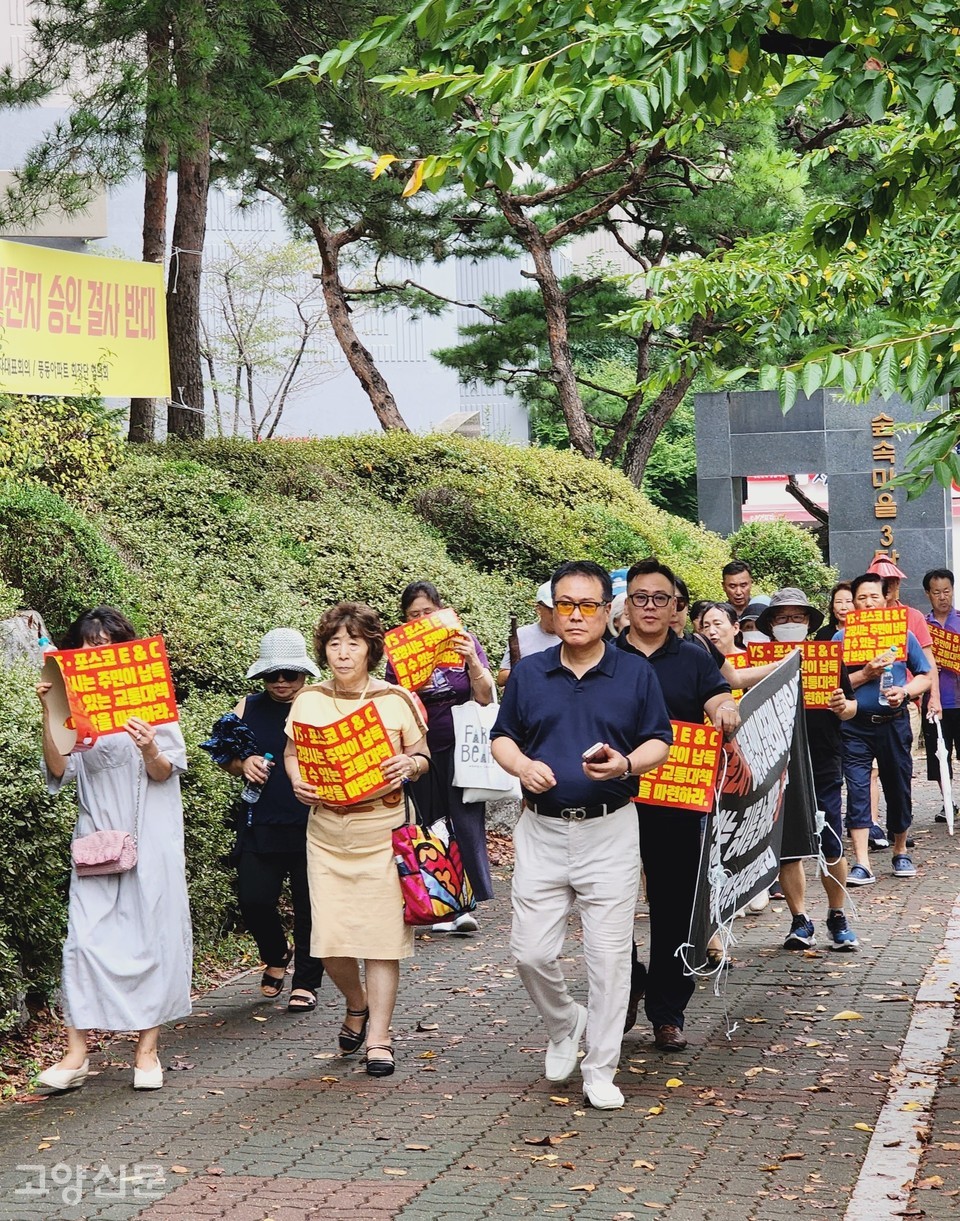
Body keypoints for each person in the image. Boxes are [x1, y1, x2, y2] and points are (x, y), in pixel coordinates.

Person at [491, 560, 673, 1109]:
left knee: (609, 958)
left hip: (610, 831)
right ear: (552, 611)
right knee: (529, 952)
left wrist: (626, 764)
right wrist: (522, 766)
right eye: (565, 604)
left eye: (588, 605)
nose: (576, 615)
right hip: (542, 832)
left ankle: (600, 1069)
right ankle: (565, 1022)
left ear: (606, 611)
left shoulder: (634, 673)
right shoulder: (529, 673)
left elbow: (659, 741)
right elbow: (502, 737)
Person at [36, 607, 192, 1092]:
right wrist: (49, 711)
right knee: (83, 942)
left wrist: (148, 746)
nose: (93, 651)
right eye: (85, 644)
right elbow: (58, 769)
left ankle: (147, 1052)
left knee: (151, 940)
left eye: (103, 643)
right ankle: (76, 1054)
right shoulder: (72, 703)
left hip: (151, 838)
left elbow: (165, 770)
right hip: (97, 840)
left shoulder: (151, 698)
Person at [284, 602, 430, 1077]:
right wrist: (296, 780)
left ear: (371, 649)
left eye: (353, 643)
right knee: (328, 941)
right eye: (334, 644)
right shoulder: (308, 699)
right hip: (327, 832)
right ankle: (357, 1002)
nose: (343, 653)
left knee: (382, 941)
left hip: (383, 831)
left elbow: (422, 754)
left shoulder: (396, 699)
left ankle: (379, 1038)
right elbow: (292, 752)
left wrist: (410, 764)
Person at [616, 557, 740, 1051]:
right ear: (627, 605)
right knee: (610, 903)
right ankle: (628, 981)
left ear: (675, 607)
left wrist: (726, 711)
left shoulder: (693, 657)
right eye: (640, 598)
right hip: (615, 800)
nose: (650, 607)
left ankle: (668, 1012)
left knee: (674, 907)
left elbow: (718, 698)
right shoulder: (604, 656)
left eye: (660, 599)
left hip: (677, 799)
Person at [204, 628, 324, 1011]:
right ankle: (276, 954)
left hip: (315, 821)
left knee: (310, 908)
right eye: (272, 675)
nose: (281, 682)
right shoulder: (248, 707)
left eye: (290, 674)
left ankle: (306, 982)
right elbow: (222, 753)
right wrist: (244, 763)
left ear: (304, 673)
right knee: (253, 900)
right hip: (261, 822)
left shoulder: (321, 703)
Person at [386, 581, 496, 933]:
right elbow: (393, 702)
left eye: (427, 612)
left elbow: (485, 696)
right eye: (413, 615)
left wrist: (471, 660)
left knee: (465, 822)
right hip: (420, 750)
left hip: (462, 746)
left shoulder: (463, 640)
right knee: (432, 825)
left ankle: (466, 905)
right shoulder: (399, 654)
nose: (421, 619)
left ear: (441, 611)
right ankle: (442, 904)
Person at [755, 590, 859, 951]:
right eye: (782, 618)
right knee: (789, 846)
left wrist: (843, 705)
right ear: (770, 624)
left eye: (797, 617)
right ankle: (799, 919)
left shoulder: (827, 658)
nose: (790, 624)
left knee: (831, 841)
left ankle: (837, 915)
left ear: (809, 623)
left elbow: (851, 708)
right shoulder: (759, 663)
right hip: (777, 767)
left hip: (823, 760)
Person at [832, 573, 932, 883]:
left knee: (898, 788)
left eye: (874, 596)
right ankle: (862, 862)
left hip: (894, 723)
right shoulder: (841, 639)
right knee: (858, 790)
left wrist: (905, 692)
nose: (868, 603)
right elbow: (831, 686)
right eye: (861, 598)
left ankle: (900, 851)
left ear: (885, 599)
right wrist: (865, 673)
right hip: (854, 727)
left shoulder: (902, 635)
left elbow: (925, 675)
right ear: (854, 604)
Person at [921, 567, 960, 822]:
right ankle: (948, 803)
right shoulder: (923, 626)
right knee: (939, 757)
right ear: (928, 594)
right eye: (937, 592)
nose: (943, 597)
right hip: (935, 704)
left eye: (947, 591)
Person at [497, 581, 559, 686]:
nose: (556, 614)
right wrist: (527, 671)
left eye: (561, 608)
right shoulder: (521, 635)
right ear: (538, 609)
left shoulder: (573, 637)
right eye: (551, 610)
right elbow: (501, 678)